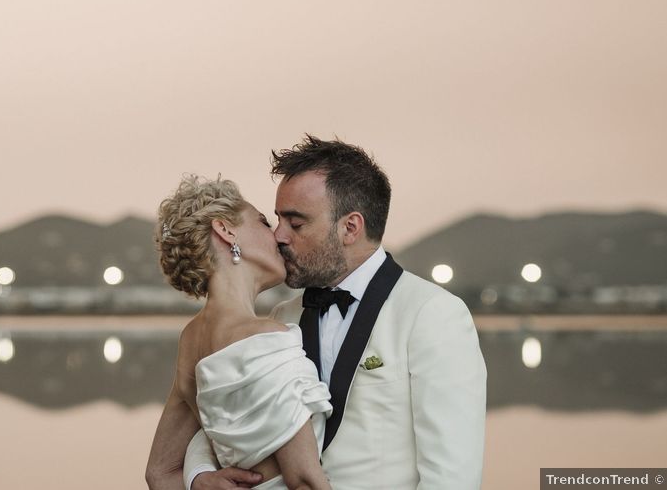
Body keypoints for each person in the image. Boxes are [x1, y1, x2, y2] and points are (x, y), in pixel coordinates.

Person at [184, 135, 487, 490]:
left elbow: (452, 476)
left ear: (350, 227)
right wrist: (198, 476)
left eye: (295, 224)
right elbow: (215, 416)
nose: (278, 236)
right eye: (277, 220)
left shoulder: (433, 314)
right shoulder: (278, 320)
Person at [145, 175, 334, 490]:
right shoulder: (264, 337)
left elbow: (160, 473)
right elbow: (304, 480)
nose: (278, 236)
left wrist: (197, 481)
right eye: (262, 222)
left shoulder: (191, 339)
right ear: (225, 230)